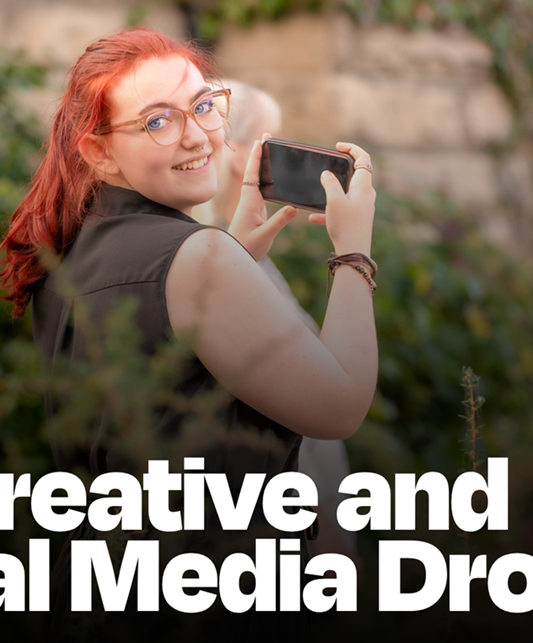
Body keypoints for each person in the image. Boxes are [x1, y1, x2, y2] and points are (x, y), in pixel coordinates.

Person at [0, 28, 378, 640]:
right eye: (157, 122)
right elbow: (342, 405)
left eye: (203, 105)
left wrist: (233, 256)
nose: (197, 135)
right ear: (98, 152)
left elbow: (166, 351)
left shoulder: (73, 252)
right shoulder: (194, 257)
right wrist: (354, 254)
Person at [194, 78, 360, 564]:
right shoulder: (213, 263)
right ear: (236, 153)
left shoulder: (238, 255)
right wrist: (354, 254)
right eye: (273, 143)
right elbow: (295, 409)